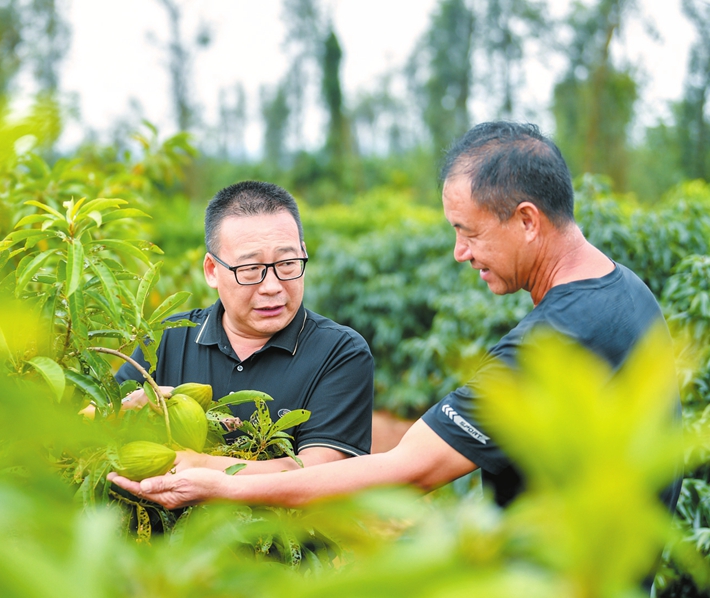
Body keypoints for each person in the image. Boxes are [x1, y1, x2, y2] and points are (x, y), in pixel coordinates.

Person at [109, 122, 682, 514]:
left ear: (527, 221)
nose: (461, 251)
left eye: (469, 231)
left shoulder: (563, 336)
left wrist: (221, 485)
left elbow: (410, 469)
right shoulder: (623, 291)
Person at [111, 180, 375, 474]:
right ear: (212, 271)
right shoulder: (167, 337)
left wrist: (199, 466)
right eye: (250, 269)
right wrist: (127, 411)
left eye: (287, 263)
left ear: (303, 252)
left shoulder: (340, 352)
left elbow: (321, 473)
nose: (272, 287)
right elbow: (92, 421)